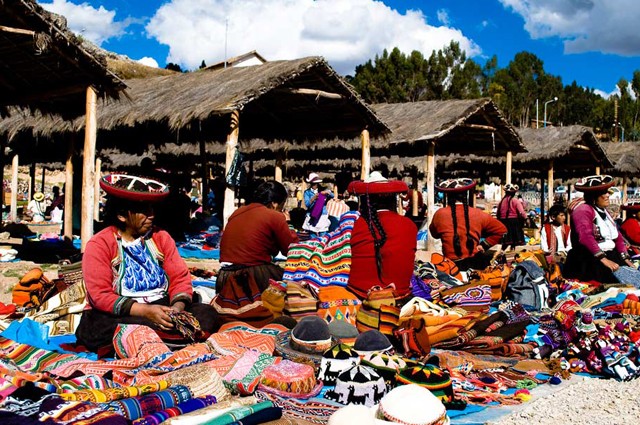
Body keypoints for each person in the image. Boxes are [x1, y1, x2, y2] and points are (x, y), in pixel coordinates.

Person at [75, 174, 219, 356]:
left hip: (162, 307)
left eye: (151, 208)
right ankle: (165, 339)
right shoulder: (100, 244)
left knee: (207, 313)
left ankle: (161, 338)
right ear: (121, 215)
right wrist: (145, 312)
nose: (151, 215)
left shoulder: (161, 237)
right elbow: (100, 295)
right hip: (122, 314)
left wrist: (176, 311)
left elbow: (180, 278)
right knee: (109, 327)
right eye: (143, 210)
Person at [218, 180, 299, 293]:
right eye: (281, 206)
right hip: (252, 275)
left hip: (224, 276)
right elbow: (292, 249)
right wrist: (289, 223)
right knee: (295, 282)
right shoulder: (274, 215)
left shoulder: (237, 212)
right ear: (274, 204)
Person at [347, 171, 417, 300]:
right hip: (400, 294)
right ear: (392, 201)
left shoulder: (352, 225)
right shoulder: (409, 225)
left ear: (363, 202)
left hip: (361, 294)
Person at [564, 175, 637, 283]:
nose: (608, 195)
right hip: (590, 261)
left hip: (610, 256)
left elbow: (618, 238)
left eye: (608, 192)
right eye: (604, 193)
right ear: (593, 197)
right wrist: (604, 259)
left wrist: (626, 259)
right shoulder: (583, 210)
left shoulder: (604, 212)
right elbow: (585, 237)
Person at [429, 178, 507, 271]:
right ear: (465, 197)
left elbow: (434, 235)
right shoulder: (478, 213)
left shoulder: (440, 214)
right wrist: (483, 245)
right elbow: (502, 230)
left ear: (447, 197)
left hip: (450, 266)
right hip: (475, 265)